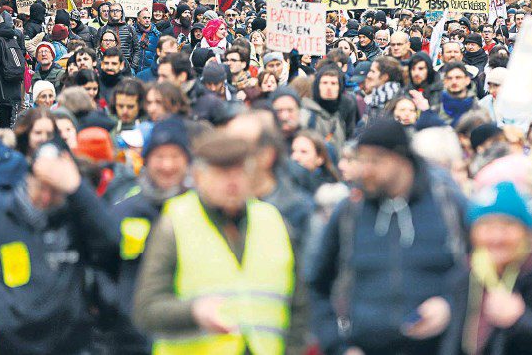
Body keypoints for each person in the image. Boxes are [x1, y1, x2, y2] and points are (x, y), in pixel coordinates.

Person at [309, 117, 468, 355]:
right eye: (361, 160)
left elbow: (481, 273)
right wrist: (338, 347)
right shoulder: (348, 213)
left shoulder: (449, 206)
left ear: (402, 159)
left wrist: (451, 306)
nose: (365, 170)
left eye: (375, 160)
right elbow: (316, 286)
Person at [133, 131, 297, 355]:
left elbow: (299, 307)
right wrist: (193, 312)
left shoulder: (274, 221)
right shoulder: (175, 223)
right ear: (199, 177)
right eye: (222, 173)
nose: (232, 182)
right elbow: (146, 309)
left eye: (240, 172)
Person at [0, 140, 119, 354]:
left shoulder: (78, 217)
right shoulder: (0, 213)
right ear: (28, 178)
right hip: (10, 341)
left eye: (55, 190)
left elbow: (113, 246)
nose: (46, 197)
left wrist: (79, 190)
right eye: (41, 187)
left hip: (69, 342)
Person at [439, 181, 532, 355]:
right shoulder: (465, 276)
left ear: (527, 233)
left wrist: (520, 321)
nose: (496, 237)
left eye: (507, 226)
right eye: (486, 226)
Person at [93, 117, 192, 354]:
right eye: (159, 157)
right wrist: (118, 306)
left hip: (185, 332)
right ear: (147, 161)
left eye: (175, 157)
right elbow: (101, 266)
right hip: (129, 335)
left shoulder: (200, 210)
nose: (167, 165)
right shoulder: (125, 211)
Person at [302, 64, 357, 147]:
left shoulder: (341, 114)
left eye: (333, 83)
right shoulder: (306, 113)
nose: (329, 87)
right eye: (324, 83)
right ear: (317, 86)